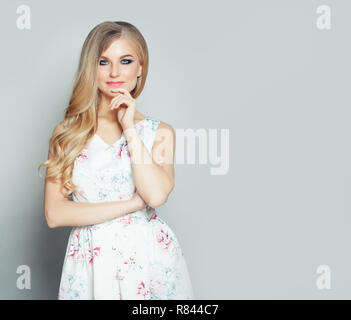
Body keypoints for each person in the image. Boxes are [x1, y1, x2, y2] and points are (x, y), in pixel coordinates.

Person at [38, 21, 194, 300]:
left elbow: (156, 195)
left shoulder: (159, 132)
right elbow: (55, 214)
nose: (114, 73)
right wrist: (132, 204)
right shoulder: (68, 134)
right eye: (103, 61)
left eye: (125, 61)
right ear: (91, 68)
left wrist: (130, 128)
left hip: (148, 259)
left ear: (140, 68)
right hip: (90, 261)